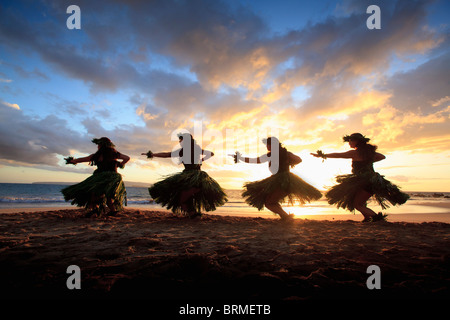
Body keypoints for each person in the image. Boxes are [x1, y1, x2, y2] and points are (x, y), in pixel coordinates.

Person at [311, 133, 409, 222]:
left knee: (357, 204)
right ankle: (367, 218)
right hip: (371, 180)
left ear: (357, 142)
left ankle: (377, 219)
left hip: (365, 182)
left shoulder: (355, 153)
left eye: (351, 141)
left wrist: (322, 155)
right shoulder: (368, 153)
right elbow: (382, 156)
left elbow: (339, 155)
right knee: (358, 201)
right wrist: (369, 161)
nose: (349, 143)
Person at [234, 137, 322, 221]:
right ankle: (285, 217)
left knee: (269, 203)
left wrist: (240, 158)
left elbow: (255, 160)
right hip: (286, 180)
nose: (267, 147)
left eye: (268, 145)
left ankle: (286, 217)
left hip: (282, 181)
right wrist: (290, 162)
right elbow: (298, 159)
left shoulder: (272, 155)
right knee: (271, 202)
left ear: (272, 145)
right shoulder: (286, 153)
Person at [142, 133, 227, 218]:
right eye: (180, 140)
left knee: (182, 199)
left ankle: (193, 213)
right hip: (195, 176)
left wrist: (152, 155)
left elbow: (167, 154)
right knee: (184, 197)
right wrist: (201, 161)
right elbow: (211, 153)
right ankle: (193, 213)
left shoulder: (184, 151)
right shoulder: (193, 149)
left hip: (193, 178)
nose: (180, 142)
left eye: (181, 140)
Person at [62, 137, 129, 217]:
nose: (97, 146)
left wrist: (72, 161)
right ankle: (113, 211)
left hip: (100, 177)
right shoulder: (114, 154)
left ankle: (96, 210)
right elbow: (127, 158)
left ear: (101, 145)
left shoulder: (96, 156)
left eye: (98, 145)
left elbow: (82, 159)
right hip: (113, 177)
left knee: (94, 193)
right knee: (108, 195)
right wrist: (120, 164)